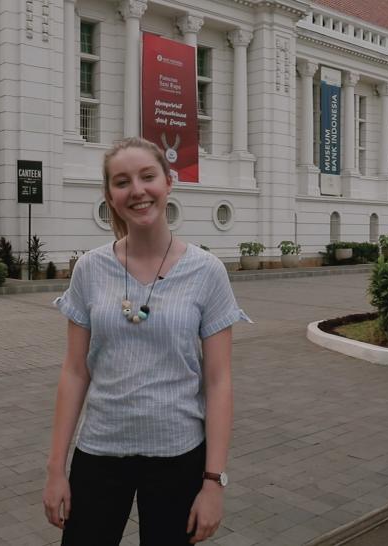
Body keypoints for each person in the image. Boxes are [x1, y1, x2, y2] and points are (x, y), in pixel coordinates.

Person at [44, 137, 249, 545]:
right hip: (100, 451)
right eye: (122, 182)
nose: (137, 190)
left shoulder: (206, 272)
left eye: (147, 176)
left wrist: (214, 482)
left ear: (168, 183)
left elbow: (218, 381)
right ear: (110, 196)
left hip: (178, 456)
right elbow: (74, 370)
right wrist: (55, 470)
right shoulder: (89, 268)